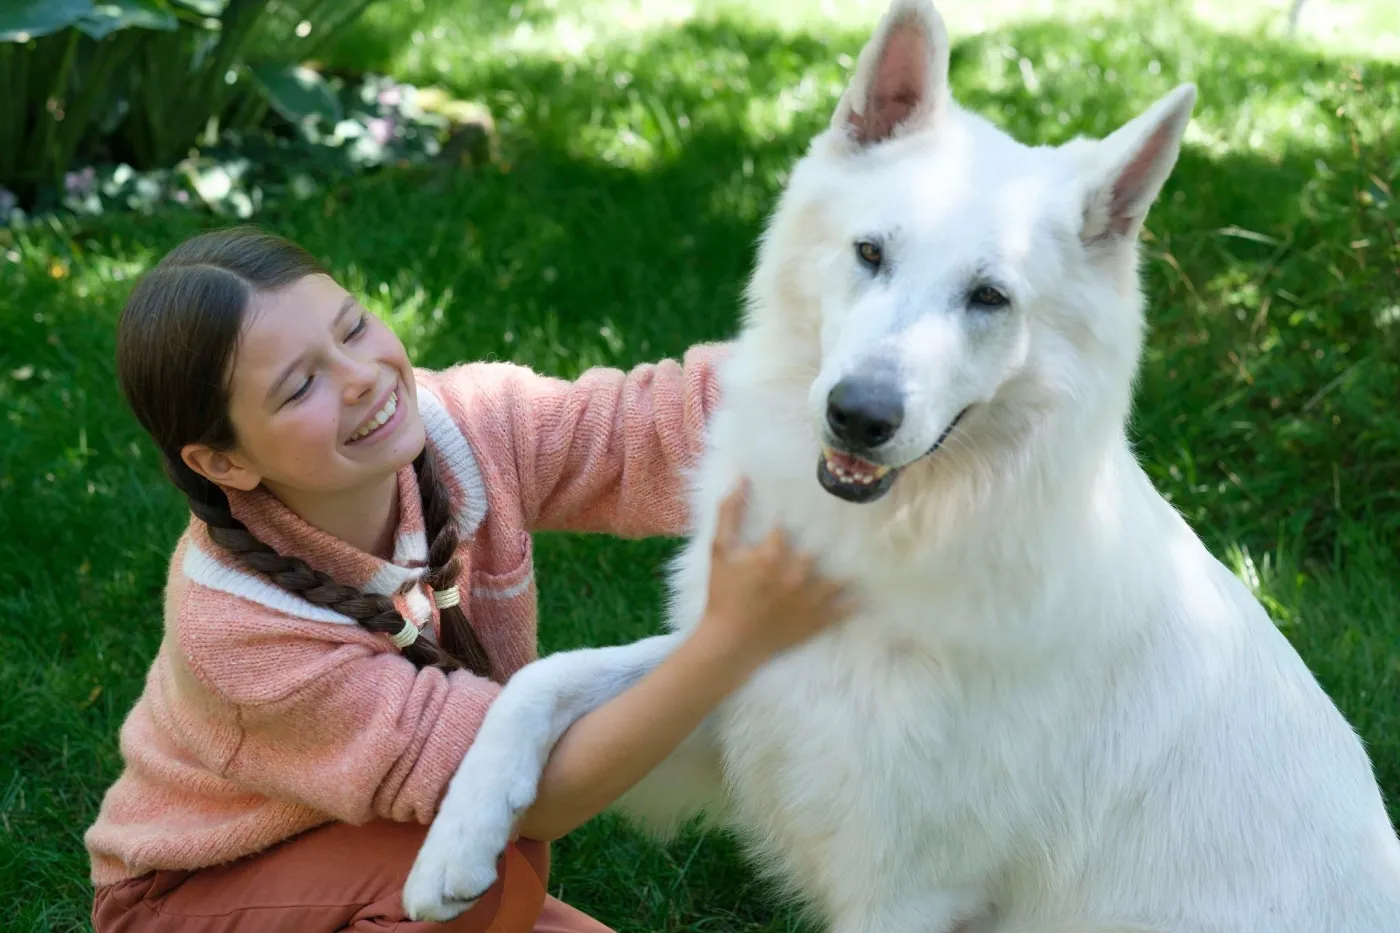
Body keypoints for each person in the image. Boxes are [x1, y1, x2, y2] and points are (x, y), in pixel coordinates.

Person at [84, 226, 853, 933]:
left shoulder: (469, 423)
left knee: (485, 877)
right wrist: (727, 644)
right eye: (298, 386)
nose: (358, 377)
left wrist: (843, 353)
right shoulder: (240, 630)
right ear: (224, 462)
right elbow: (527, 797)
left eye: (352, 327)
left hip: (374, 848)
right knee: (482, 875)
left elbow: (642, 430)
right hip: (194, 894)